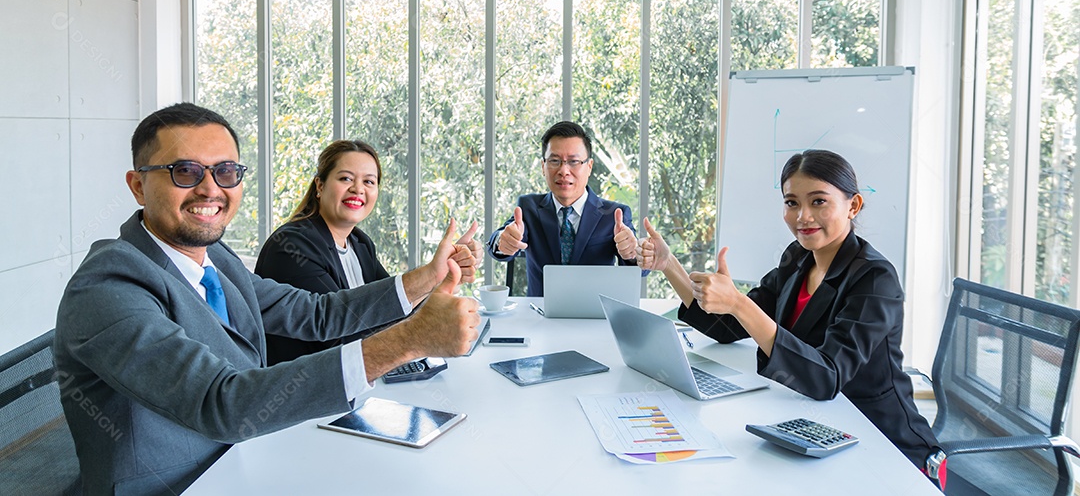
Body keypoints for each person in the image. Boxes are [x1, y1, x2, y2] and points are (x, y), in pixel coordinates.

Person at [53, 103, 480, 496]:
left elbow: (316, 313)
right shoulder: (106, 286)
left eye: (225, 172)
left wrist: (430, 277)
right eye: (185, 171)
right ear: (138, 186)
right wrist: (407, 340)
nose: (210, 189)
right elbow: (222, 401)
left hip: (250, 457)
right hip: (182, 485)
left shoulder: (215, 257)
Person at [636, 149, 944, 489]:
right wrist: (669, 266)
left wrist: (740, 304)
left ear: (853, 206)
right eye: (792, 203)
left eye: (819, 201)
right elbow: (727, 327)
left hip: (885, 444)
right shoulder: (798, 258)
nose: (803, 216)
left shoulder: (875, 278)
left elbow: (827, 377)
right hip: (815, 428)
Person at [254, 139, 482, 364]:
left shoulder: (360, 243)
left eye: (369, 182)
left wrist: (447, 272)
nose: (358, 189)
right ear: (320, 186)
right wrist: (431, 274)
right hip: (312, 389)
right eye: (346, 178)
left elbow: (395, 307)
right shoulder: (291, 246)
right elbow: (335, 330)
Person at [487, 120, 637, 296]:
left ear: (589, 167)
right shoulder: (529, 208)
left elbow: (640, 270)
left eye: (573, 161)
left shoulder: (614, 215)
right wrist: (502, 241)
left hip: (594, 317)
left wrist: (632, 254)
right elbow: (498, 244)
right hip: (540, 317)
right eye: (555, 161)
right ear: (543, 166)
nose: (564, 171)